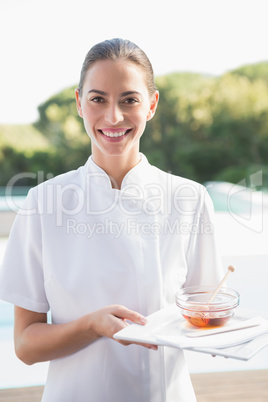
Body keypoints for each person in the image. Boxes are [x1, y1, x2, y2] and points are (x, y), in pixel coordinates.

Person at [0, 38, 223, 401]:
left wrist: (222, 331)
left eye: (129, 100)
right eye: (98, 99)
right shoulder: (43, 203)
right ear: (79, 103)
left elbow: (207, 319)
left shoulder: (190, 199)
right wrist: (91, 326)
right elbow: (26, 345)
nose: (114, 117)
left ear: (151, 105)